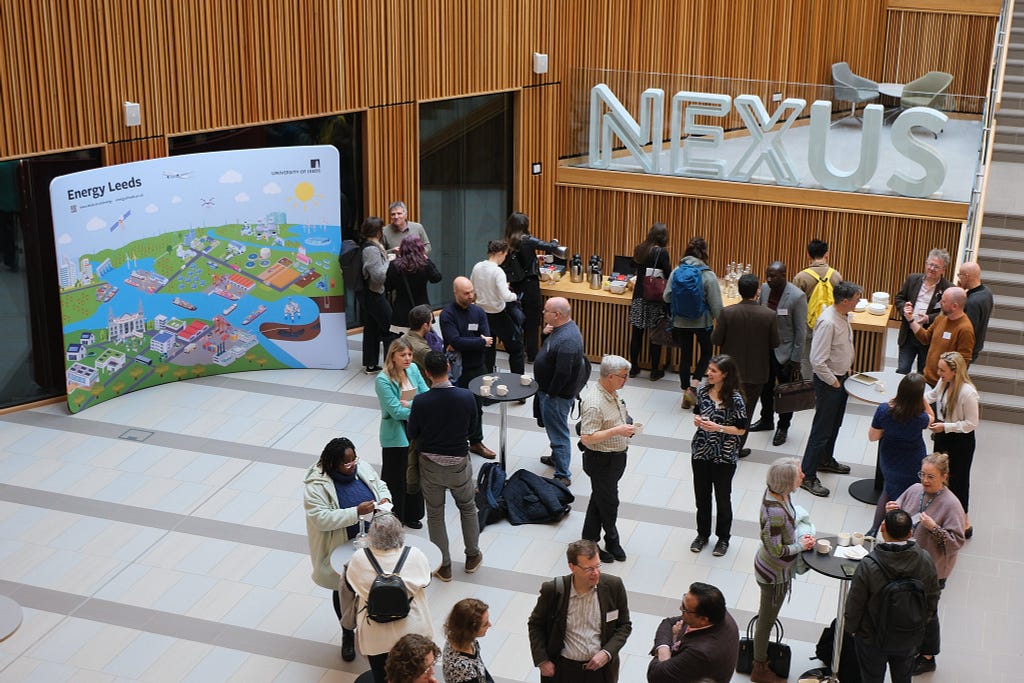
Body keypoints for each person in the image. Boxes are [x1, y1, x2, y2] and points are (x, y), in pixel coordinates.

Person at [303, 437, 391, 662]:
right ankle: (347, 633)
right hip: (340, 545)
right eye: (346, 462)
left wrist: (384, 497)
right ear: (332, 464)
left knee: (372, 586)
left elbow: (378, 484)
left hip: (372, 540)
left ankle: (370, 629)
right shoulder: (316, 485)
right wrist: (355, 512)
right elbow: (320, 518)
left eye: (354, 459)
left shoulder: (361, 467)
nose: (352, 465)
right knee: (343, 589)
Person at [407, 350, 484, 582]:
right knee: (468, 507)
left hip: (430, 465)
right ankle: (472, 556)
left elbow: (412, 432)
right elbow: (473, 430)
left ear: (427, 373)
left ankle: (444, 565)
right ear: (449, 369)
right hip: (459, 463)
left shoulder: (421, 401)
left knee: (435, 514)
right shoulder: (466, 396)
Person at [889, 452, 967, 675]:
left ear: (944, 476)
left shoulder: (952, 505)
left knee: (927, 612)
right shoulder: (915, 490)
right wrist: (893, 513)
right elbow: (901, 517)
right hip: (907, 561)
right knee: (911, 608)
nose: (925, 480)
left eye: (931, 476)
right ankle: (911, 645)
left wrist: (934, 528)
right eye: (923, 474)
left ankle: (928, 655)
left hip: (932, 570)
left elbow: (955, 543)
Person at [844, 509, 941, 683]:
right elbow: (933, 597)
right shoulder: (925, 559)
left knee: (871, 678)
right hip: (908, 636)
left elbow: (855, 603)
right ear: (910, 532)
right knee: (903, 678)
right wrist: (920, 624)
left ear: (882, 528)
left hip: (872, 638)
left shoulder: (868, 565)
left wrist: (852, 630)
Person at [527, 539, 632, 683]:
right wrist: (542, 660)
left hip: (601, 671)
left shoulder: (614, 586)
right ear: (572, 567)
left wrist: (607, 653)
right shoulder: (553, 590)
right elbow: (535, 625)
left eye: (598, 566)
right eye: (588, 569)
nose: (595, 573)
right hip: (564, 670)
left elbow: (624, 626)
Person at [346, 513, 433, 683]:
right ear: (400, 533)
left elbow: (352, 585)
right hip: (412, 633)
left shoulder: (359, 558)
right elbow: (426, 580)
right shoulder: (415, 555)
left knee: (381, 676)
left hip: (375, 635)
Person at [752, 458, 816, 683]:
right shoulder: (774, 511)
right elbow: (777, 549)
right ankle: (759, 667)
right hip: (773, 574)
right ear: (786, 481)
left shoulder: (782, 494)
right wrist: (802, 546)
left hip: (775, 570)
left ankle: (760, 660)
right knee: (766, 622)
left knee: (767, 617)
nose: (803, 476)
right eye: (798, 474)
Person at [800, 280, 863, 498]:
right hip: (830, 383)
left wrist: (846, 369)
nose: (858, 302)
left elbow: (841, 347)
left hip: (840, 377)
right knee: (821, 430)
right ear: (845, 301)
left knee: (835, 424)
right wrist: (835, 383)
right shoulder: (828, 321)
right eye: (856, 299)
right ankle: (807, 475)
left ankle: (825, 460)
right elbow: (817, 360)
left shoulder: (843, 316)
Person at [710, 273, 779, 457]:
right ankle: (737, 448)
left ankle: (721, 444)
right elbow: (775, 343)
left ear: (739, 290)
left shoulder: (727, 312)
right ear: (757, 291)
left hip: (729, 373)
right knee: (746, 412)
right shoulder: (769, 315)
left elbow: (716, 339)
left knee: (726, 407)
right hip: (757, 373)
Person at [579, 355, 636, 564]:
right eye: (623, 376)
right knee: (610, 503)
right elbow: (587, 437)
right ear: (610, 376)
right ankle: (612, 539)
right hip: (601, 460)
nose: (626, 380)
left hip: (616, 458)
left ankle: (589, 541)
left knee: (599, 499)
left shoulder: (612, 393)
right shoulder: (594, 403)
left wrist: (625, 428)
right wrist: (617, 431)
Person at [689, 354, 747, 557]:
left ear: (725, 374)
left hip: (725, 455)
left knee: (723, 498)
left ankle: (723, 538)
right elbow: (697, 412)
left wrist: (719, 428)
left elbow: (740, 429)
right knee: (702, 497)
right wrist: (698, 420)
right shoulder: (703, 391)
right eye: (709, 369)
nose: (708, 373)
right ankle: (702, 535)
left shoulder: (736, 398)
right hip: (701, 451)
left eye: (713, 371)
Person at [867, 372, 933, 536]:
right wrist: (922, 399)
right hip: (913, 459)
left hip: (889, 457)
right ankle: (905, 530)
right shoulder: (920, 417)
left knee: (888, 490)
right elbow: (932, 416)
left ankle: (874, 529)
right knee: (911, 495)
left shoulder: (884, 410)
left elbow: (873, 436)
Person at [440, 276, 497, 459]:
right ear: (455, 293)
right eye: (466, 293)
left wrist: (469, 342)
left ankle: (476, 442)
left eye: (472, 291)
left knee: (477, 407)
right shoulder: (447, 314)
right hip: (458, 371)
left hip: (478, 367)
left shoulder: (478, 312)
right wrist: (478, 341)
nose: (471, 296)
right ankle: (455, 443)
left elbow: (487, 339)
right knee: (456, 409)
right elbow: (454, 340)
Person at [375, 338, 430, 528]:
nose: (407, 359)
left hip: (415, 429)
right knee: (395, 477)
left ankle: (412, 514)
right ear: (393, 356)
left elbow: (426, 395)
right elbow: (396, 412)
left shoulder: (413, 369)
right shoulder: (383, 380)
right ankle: (394, 517)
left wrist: (411, 404)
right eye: (403, 355)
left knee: (414, 471)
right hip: (396, 433)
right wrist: (418, 407)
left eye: (409, 354)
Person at [663, 236, 723, 409]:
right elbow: (717, 306)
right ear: (704, 252)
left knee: (685, 356)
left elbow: (666, 296)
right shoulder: (708, 275)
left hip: (680, 321)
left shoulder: (677, 271)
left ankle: (685, 391)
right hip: (702, 323)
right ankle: (694, 387)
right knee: (706, 353)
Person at [752, 261, 807, 446]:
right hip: (765, 350)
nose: (769, 279)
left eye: (773, 276)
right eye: (767, 275)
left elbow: (801, 331)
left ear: (784, 275)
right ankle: (766, 419)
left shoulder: (797, 296)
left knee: (785, 393)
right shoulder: (765, 289)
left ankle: (783, 427)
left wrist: (796, 359)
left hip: (785, 353)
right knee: (765, 388)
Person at [925, 351, 979, 537]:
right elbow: (931, 396)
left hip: (960, 440)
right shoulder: (944, 382)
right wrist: (912, 398)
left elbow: (971, 423)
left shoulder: (968, 392)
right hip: (942, 435)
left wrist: (945, 426)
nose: (939, 373)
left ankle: (963, 519)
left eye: (942, 370)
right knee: (939, 476)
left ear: (955, 371)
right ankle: (941, 514)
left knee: (959, 479)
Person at [535, 296, 586, 486]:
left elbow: (563, 372)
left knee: (558, 433)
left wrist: (550, 395)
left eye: (546, 310)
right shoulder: (560, 330)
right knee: (554, 429)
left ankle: (563, 474)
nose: (543, 313)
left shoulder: (567, 340)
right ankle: (557, 459)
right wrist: (545, 334)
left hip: (556, 396)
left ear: (556, 315)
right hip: (550, 392)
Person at [646, 582, 739, 683]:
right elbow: (668, 623)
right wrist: (664, 647)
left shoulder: (700, 654)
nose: (680, 608)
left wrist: (669, 646)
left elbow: (656, 675)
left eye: (685, 609)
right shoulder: (717, 613)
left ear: (703, 619)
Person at [471, 239, 526, 375]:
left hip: (481, 315)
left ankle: (486, 383)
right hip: (498, 315)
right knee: (516, 349)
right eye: (505, 255)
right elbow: (506, 296)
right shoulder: (498, 271)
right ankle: (518, 382)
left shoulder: (477, 266)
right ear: (500, 253)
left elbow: (472, 288)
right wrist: (515, 296)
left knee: (488, 349)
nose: (505, 258)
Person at [894, 249, 952, 375]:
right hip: (908, 333)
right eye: (930, 264)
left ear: (943, 270)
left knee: (924, 373)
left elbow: (947, 313)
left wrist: (929, 318)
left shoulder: (948, 289)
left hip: (929, 337)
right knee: (902, 370)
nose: (931, 268)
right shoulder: (913, 279)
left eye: (936, 267)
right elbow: (899, 298)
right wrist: (904, 307)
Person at [793, 239, 843, 380]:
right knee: (827, 357)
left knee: (807, 358)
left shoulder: (801, 277)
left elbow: (795, 305)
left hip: (807, 326)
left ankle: (809, 387)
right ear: (826, 254)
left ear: (808, 254)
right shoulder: (836, 275)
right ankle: (826, 383)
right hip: (830, 325)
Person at [907, 286, 975, 386]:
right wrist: (911, 320)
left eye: (943, 302)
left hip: (944, 385)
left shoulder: (965, 329)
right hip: (927, 378)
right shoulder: (941, 317)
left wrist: (947, 384)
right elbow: (925, 338)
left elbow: (962, 363)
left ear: (954, 306)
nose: (940, 304)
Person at [628, 223, 672, 380]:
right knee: (655, 335)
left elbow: (632, 265)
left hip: (639, 296)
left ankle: (633, 368)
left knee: (637, 334)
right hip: (654, 298)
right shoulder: (662, 252)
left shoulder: (640, 248)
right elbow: (669, 273)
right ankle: (654, 371)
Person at [502, 212, 543, 362]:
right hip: (530, 287)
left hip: (515, 286)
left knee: (517, 319)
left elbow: (516, 262)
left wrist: (534, 258)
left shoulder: (508, 242)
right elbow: (549, 246)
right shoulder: (527, 241)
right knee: (532, 322)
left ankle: (517, 350)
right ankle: (532, 354)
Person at [360, 216, 397, 374]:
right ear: (377, 231)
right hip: (375, 294)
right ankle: (391, 366)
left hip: (369, 295)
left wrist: (387, 253)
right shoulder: (371, 249)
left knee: (372, 329)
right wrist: (389, 260)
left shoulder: (371, 246)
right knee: (390, 329)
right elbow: (379, 276)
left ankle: (371, 364)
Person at [386, 235, 441, 333]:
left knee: (402, 346)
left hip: (401, 313)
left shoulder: (394, 265)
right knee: (422, 345)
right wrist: (427, 260)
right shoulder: (424, 265)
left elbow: (388, 287)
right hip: (422, 311)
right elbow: (436, 278)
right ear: (420, 249)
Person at [442, 598, 494, 683]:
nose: (490, 625)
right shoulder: (462, 668)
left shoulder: (465, 640)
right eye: (485, 624)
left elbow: (480, 667)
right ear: (470, 631)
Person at [956, 262, 993, 362]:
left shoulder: (972, 302)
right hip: (975, 348)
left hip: (964, 352)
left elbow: (967, 331)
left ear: (967, 276)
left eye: (960, 275)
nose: (958, 278)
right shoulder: (987, 292)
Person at [401, 304, 443, 375]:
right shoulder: (423, 350)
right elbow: (438, 370)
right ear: (425, 326)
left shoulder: (404, 338)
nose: (431, 325)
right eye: (431, 322)